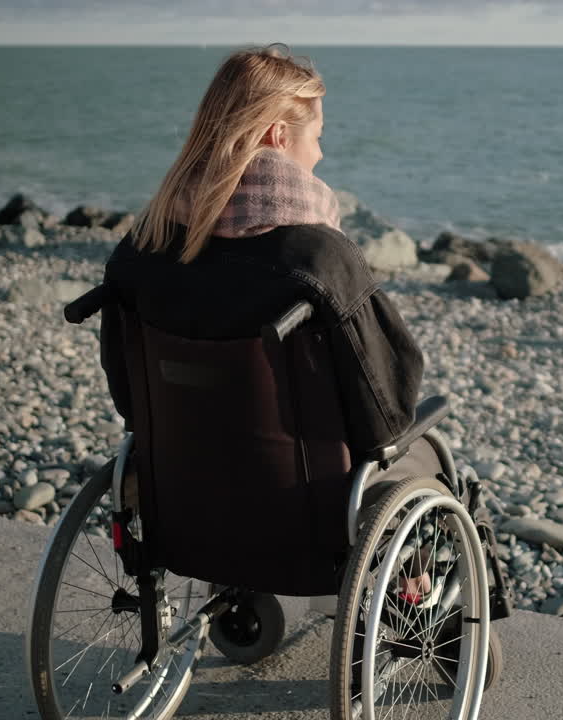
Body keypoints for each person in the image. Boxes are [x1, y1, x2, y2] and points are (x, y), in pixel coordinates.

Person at [97, 44, 440, 597]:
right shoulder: (318, 258)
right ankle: (429, 608)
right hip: (309, 515)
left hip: (184, 494)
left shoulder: (145, 246)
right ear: (279, 135)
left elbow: (129, 397)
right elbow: (387, 407)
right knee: (427, 454)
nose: (320, 154)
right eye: (317, 135)